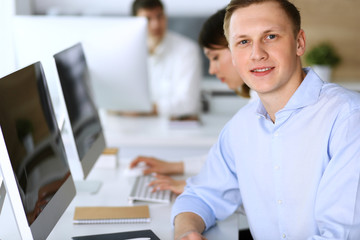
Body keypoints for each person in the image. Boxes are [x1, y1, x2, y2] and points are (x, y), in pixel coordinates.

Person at [171, 0, 360, 239]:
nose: (257, 54)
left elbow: (342, 235)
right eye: (243, 42)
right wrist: (186, 231)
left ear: (299, 43)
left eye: (270, 37)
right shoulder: (240, 127)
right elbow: (200, 196)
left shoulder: (348, 119)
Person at [129, 8, 254, 196]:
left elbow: (249, 177)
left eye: (215, 57)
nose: (211, 70)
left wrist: (190, 185)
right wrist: (174, 167)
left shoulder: (261, 107)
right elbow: (228, 161)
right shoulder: (254, 104)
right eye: (147, 18)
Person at [131, 0, 203, 117]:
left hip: (178, 130)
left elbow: (188, 103)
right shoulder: (128, 52)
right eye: (147, 19)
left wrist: (143, 110)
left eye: (160, 16)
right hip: (134, 126)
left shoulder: (187, 50)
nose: (156, 24)